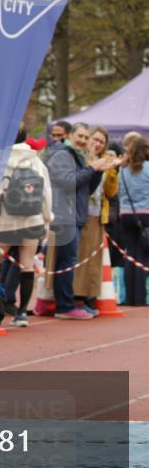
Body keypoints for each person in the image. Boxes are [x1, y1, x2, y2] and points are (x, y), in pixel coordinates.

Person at [46, 122, 117, 320]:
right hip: (64, 215)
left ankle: (64, 304)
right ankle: (64, 306)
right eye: (81, 136)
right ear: (71, 135)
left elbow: (87, 188)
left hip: (75, 215)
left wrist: (98, 171)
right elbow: (69, 182)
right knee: (65, 262)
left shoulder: (78, 157)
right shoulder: (63, 154)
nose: (84, 141)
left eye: (87, 138)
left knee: (67, 261)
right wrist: (92, 168)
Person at [0, 126, 53, 326]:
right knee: (27, 265)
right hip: (32, 219)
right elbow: (46, 194)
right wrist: (46, 219)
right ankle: (21, 314)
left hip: (4, 221)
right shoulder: (36, 161)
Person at [73, 126, 111, 312]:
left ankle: (90, 295)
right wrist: (93, 166)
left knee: (93, 259)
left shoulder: (104, 161)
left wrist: (111, 172)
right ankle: (78, 296)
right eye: (94, 139)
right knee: (79, 256)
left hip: (98, 214)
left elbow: (111, 191)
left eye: (101, 142)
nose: (97, 144)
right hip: (81, 213)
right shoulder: (80, 159)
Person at [118, 135, 149, 306]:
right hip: (145, 214)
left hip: (126, 214)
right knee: (143, 256)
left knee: (130, 255)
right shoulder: (148, 168)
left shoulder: (123, 170)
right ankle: (140, 298)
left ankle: (129, 297)